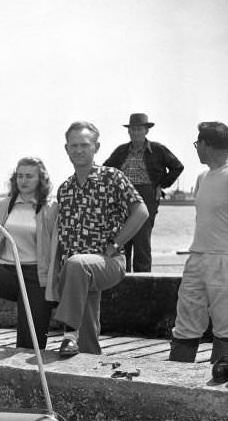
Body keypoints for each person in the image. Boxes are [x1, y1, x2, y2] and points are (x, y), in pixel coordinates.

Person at [49, 121, 148, 357]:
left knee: (76, 264)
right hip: (77, 270)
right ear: (66, 149)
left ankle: (68, 335)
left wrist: (116, 244)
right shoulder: (65, 189)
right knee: (88, 327)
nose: (78, 150)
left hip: (109, 261)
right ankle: (89, 359)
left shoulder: (113, 177)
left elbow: (141, 212)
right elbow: (62, 238)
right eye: (73, 145)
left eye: (84, 144)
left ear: (96, 147)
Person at [0, 157, 57, 351]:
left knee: (30, 345)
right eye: (20, 176)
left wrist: (55, 283)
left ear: (40, 179)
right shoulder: (1, 205)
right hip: (7, 272)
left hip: (36, 277)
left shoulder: (51, 208)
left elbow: (56, 248)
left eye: (29, 176)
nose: (23, 181)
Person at [169, 121, 228, 365]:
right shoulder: (203, 177)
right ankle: (175, 375)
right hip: (197, 256)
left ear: (207, 144)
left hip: (223, 258)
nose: (196, 149)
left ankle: (220, 378)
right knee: (185, 322)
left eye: (197, 144)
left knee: (225, 324)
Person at [103, 113, 184, 272]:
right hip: (122, 198)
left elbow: (177, 167)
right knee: (121, 239)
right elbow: (106, 170)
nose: (135, 133)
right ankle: (121, 280)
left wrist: (161, 185)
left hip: (147, 196)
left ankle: (143, 282)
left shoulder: (158, 150)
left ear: (146, 131)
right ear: (128, 131)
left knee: (142, 241)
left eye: (139, 129)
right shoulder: (121, 151)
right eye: (132, 129)